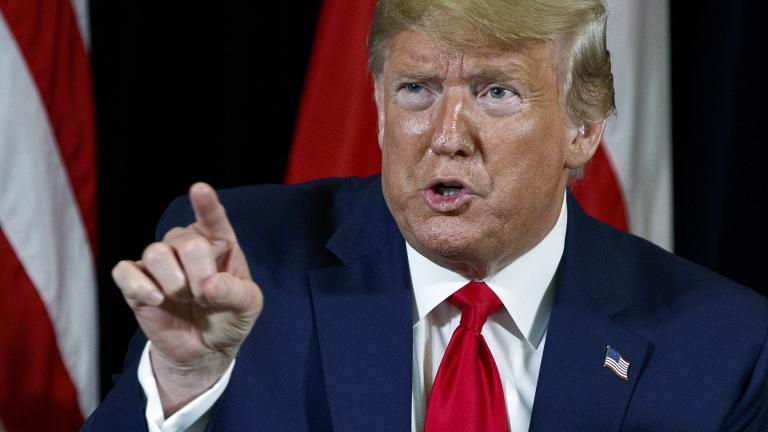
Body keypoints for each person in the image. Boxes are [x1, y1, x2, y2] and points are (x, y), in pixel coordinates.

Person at [85, 0, 768, 430]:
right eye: (416, 90)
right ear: (380, 108)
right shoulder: (247, 267)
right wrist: (180, 385)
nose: (446, 133)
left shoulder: (721, 348)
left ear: (584, 128)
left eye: (495, 92)